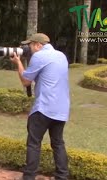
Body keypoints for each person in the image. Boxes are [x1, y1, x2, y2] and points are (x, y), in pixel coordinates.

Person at [10, 33, 70, 180]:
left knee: (33, 143)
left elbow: (26, 82)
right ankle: (62, 177)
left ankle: (29, 177)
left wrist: (18, 62)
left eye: (30, 46)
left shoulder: (39, 56)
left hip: (44, 108)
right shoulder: (61, 55)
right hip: (61, 109)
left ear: (38, 45)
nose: (28, 49)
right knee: (58, 143)